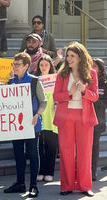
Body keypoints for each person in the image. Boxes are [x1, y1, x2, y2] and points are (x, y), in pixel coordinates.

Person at [53, 42, 98, 197]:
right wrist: (69, 93)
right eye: (67, 56)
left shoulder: (91, 73)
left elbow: (95, 96)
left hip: (84, 117)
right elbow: (56, 96)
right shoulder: (61, 74)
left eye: (72, 56)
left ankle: (85, 186)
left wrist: (85, 91)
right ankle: (67, 186)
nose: (69, 58)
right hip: (66, 117)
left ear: (80, 57)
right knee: (66, 152)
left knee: (85, 152)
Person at [4, 52, 46, 198]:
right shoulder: (11, 82)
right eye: (13, 64)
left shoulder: (34, 81)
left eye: (17, 64)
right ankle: (20, 183)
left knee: (33, 154)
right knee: (18, 154)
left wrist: (37, 115)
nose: (14, 67)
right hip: (16, 125)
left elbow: (44, 101)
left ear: (26, 66)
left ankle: (33, 185)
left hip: (32, 123)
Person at [33, 55, 58, 182]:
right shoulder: (35, 80)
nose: (43, 67)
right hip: (40, 114)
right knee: (40, 146)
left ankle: (49, 171)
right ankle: (41, 171)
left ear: (50, 66)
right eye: (41, 65)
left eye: (46, 65)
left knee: (51, 146)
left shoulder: (56, 79)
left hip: (52, 116)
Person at [91, 58, 107, 181]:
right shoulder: (86, 80)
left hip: (98, 118)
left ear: (100, 69)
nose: (92, 67)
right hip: (84, 116)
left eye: (94, 66)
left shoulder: (105, 84)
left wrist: (97, 97)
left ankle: (93, 172)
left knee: (95, 146)